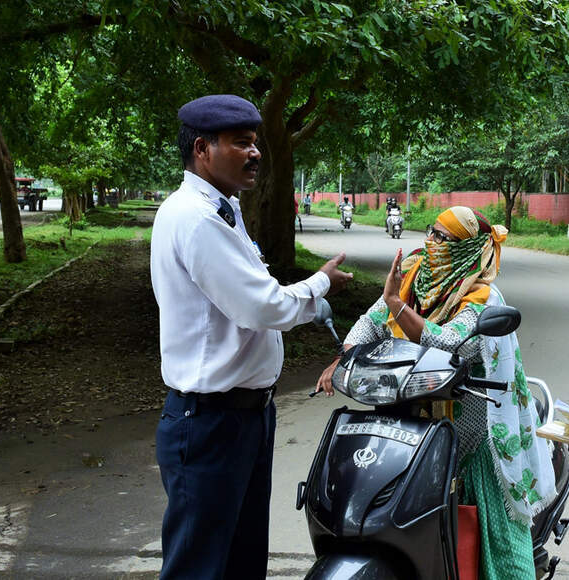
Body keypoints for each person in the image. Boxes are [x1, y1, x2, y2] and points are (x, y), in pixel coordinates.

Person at [151, 94, 352, 579]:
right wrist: (320, 283)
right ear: (202, 148)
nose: (256, 153)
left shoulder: (224, 209)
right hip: (210, 423)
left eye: (256, 143)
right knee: (199, 567)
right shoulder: (196, 218)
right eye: (242, 143)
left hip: (243, 419)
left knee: (240, 563)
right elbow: (262, 306)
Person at [315, 206, 556, 579]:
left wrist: (397, 306)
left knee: (502, 547)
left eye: (443, 238)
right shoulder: (415, 276)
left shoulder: (483, 298)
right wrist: (344, 358)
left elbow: (450, 343)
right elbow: (371, 321)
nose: (431, 242)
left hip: (472, 437)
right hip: (409, 427)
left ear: (464, 248)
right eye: (431, 232)